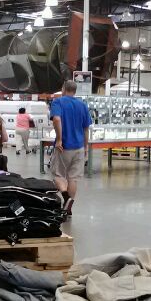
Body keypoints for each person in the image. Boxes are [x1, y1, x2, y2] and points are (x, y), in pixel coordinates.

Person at [50, 80, 92, 216]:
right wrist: (85, 147)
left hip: (64, 147)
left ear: (63, 89)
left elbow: (56, 119)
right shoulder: (82, 105)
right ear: (75, 91)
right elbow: (86, 129)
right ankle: (69, 208)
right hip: (79, 147)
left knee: (58, 175)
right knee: (73, 178)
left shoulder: (58, 102)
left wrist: (59, 139)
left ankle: (66, 197)